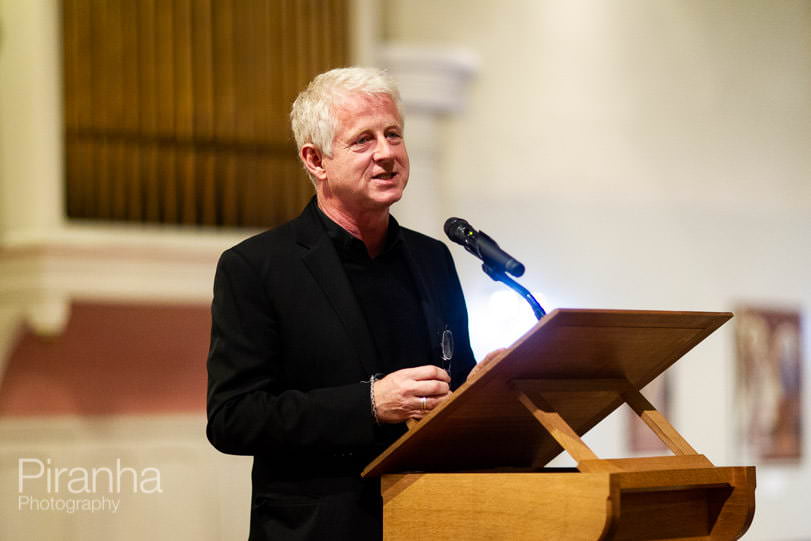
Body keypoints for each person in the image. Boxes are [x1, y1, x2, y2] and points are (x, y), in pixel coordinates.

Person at [206, 67, 495, 541]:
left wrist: (487, 388)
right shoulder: (256, 267)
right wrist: (369, 403)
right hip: (320, 527)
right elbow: (233, 418)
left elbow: (454, 381)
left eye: (393, 134)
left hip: (431, 519)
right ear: (316, 160)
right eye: (363, 140)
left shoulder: (432, 258)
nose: (387, 154)